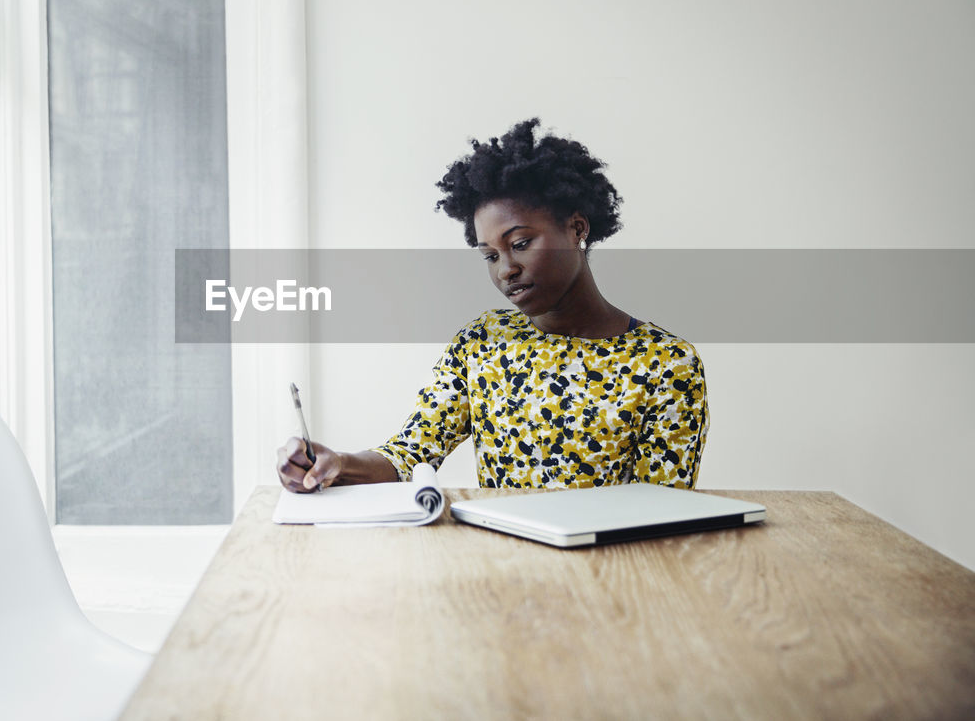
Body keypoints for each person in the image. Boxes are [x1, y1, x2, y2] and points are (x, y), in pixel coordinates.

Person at [276, 118, 708, 492]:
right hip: (501, 572)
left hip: (609, 577)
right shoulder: (483, 342)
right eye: (490, 255)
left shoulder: (667, 363)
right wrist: (336, 464)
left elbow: (664, 508)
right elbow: (410, 452)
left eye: (520, 244)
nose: (506, 269)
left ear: (577, 228)